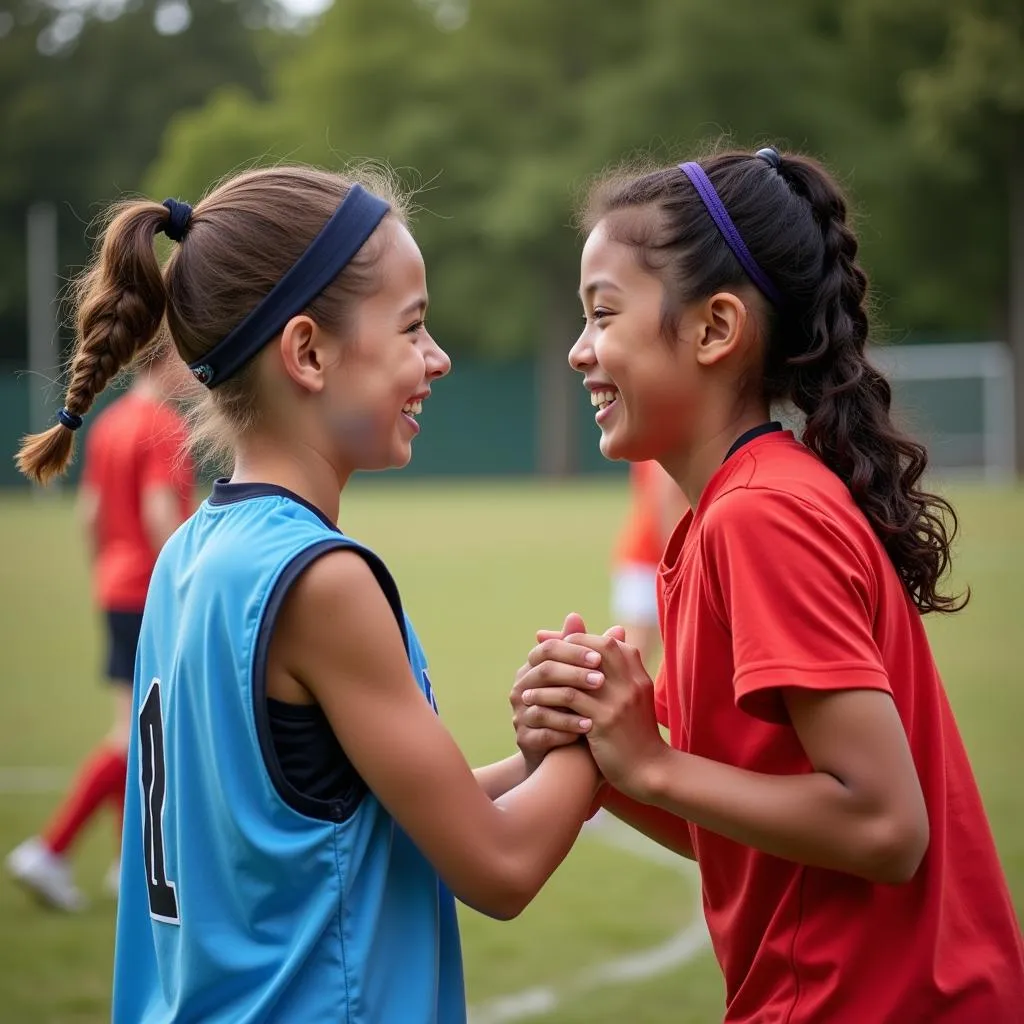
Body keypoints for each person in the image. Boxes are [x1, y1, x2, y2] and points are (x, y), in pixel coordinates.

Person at [16, 165, 602, 1024]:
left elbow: (337, 821)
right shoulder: (322, 583)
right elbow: (500, 869)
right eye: (412, 327)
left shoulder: (188, 556)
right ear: (308, 352)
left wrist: (537, 762)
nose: (437, 358)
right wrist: (604, 740)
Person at [511, 147, 1024, 1021]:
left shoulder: (761, 519)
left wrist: (651, 766)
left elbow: (884, 828)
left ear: (715, 329)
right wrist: (591, 749)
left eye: (603, 315)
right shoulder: (726, 517)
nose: (577, 351)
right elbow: (746, 824)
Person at [7, 345, 193, 912]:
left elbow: (90, 512)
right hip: (148, 592)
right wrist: (188, 585)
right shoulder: (161, 425)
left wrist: (105, 574)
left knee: (141, 725)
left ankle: (126, 863)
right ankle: (50, 849)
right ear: (168, 363)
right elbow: (160, 510)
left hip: (115, 588)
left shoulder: (110, 423)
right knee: (136, 734)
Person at [610, 459, 685, 665]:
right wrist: (680, 560)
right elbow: (667, 497)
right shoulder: (668, 438)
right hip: (650, 561)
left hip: (645, 558)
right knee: (632, 657)